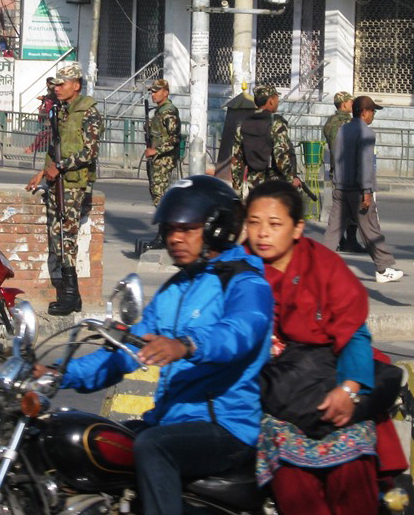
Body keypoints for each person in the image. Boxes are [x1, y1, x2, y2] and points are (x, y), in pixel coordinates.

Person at [37, 176, 273, 515]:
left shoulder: (246, 282)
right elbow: (124, 355)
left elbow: (240, 332)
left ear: (217, 229)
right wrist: (57, 373)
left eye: (187, 228)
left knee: (152, 448)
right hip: (169, 420)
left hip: (226, 426)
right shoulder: (175, 289)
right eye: (170, 229)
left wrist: (186, 345)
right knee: (78, 438)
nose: (174, 238)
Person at [244, 180, 407, 515]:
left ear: (297, 228)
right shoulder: (238, 269)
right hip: (275, 404)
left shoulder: (324, 267)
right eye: (254, 223)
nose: (262, 234)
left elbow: (355, 334)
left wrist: (348, 390)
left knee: (352, 478)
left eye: (274, 225)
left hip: (335, 384)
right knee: (294, 488)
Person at [26, 61, 102, 316]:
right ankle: (72, 295)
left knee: (66, 239)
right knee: (56, 239)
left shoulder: (88, 111)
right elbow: (54, 146)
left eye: (62, 84)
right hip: (57, 181)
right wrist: (43, 173)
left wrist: (60, 166)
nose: (57, 88)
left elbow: (89, 152)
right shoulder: (61, 111)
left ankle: (70, 296)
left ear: (76, 85)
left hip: (73, 183)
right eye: (56, 84)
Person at [323, 96, 403, 283]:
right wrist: (367, 191)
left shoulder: (343, 130)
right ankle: (383, 269)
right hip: (358, 190)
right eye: (373, 112)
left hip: (340, 188)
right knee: (371, 229)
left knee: (333, 230)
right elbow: (366, 164)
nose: (373, 115)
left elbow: (337, 157)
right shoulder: (366, 133)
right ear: (364, 112)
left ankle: (319, 266)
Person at [231, 84, 299, 196]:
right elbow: (281, 156)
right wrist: (291, 179)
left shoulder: (243, 125)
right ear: (271, 101)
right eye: (277, 98)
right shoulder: (276, 123)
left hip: (254, 184)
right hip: (276, 184)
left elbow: (236, 161)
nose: (278, 101)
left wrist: (237, 191)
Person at [323, 91, 363, 254]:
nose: (352, 105)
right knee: (353, 206)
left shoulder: (330, 122)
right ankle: (350, 240)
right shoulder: (349, 122)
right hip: (350, 169)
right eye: (350, 102)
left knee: (339, 205)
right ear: (344, 104)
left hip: (336, 169)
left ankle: (341, 239)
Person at [144, 79, 181, 206]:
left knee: (162, 202)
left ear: (165, 93)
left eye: (156, 91)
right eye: (152, 92)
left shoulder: (168, 112)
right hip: (157, 162)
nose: (153, 94)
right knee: (157, 198)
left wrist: (156, 151)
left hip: (164, 162)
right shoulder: (159, 111)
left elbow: (174, 138)